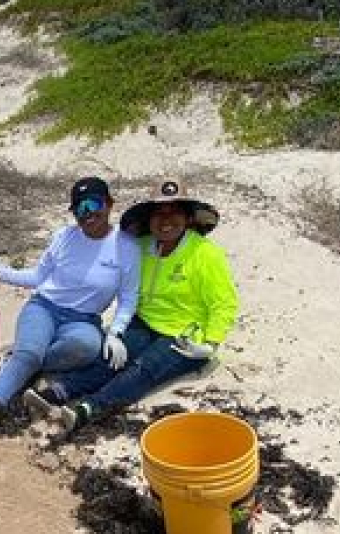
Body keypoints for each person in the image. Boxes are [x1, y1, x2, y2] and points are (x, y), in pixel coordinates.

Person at [23, 178, 238, 432]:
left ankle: (90, 408)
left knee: (144, 368)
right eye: (159, 213)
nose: (166, 219)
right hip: (144, 322)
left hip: (185, 337)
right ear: (149, 219)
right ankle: (61, 391)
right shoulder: (142, 246)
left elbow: (224, 304)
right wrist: (115, 331)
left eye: (175, 211)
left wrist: (209, 344)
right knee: (110, 357)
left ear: (188, 217)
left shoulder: (206, 253)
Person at [0, 176, 140, 421]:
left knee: (88, 347)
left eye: (93, 204)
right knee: (29, 354)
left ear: (109, 204)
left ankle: (26, 361)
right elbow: (37, 277)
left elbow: (129, 298)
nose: (87, 214)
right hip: (43, 308)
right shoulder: (63, 237)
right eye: (79, 208)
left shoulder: (127, 246)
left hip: (84, 321)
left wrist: (115, 332)